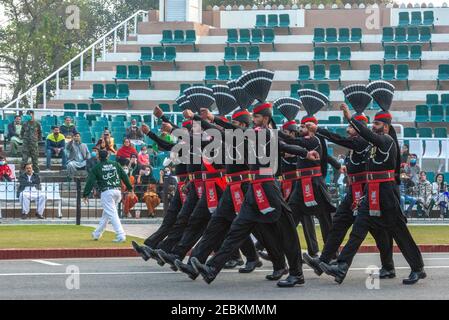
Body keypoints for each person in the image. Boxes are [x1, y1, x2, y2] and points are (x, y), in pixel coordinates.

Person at [320, 96, 425, 285]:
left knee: (399, 233)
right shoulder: (374, 146)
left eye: (376, 123)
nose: (373, 126)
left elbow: (368, 136)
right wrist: (365, 194)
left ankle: (418, 268)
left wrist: (350, 117)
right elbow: (369, 169)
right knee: (358, 228)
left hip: (387, 194)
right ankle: (342, 266)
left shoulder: (387, 141)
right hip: (372, 192)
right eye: (373, 123)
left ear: (385, 126)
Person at [303, 109, 395, 279]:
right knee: (338, 223)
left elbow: (338, 139)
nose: (348, 130)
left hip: (363, 192)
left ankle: (387, 266)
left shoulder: (361, 142)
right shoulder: (355, 144)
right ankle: (323, 260)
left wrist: (319, 130)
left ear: (360, 128)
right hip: (353, 191)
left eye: (351, 127)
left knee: (375, 230)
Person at [82, 150, 134, 242]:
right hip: (117, 192)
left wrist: (85, 194)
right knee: (106, 214)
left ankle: (121, 235)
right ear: (108, 156)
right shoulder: (116, 164)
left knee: (112, 214)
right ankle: (97, 234)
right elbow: (125, 176)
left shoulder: (96, 167)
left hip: (107, 192)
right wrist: (130, 189)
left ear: (98, 157)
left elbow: (90, 181)